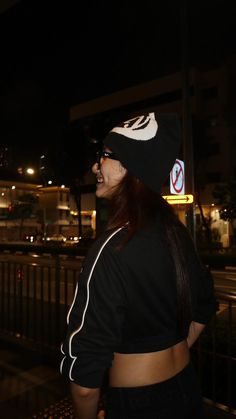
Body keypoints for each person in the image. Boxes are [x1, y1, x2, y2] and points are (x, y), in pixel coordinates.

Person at [60, 112, 216, 419]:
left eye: (103, 156)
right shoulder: (176, 234)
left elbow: (84, 382)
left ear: (130, 166)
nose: (95, 167)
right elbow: (204, 305)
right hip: (186, 387)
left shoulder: (110, 248)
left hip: (138, 403)